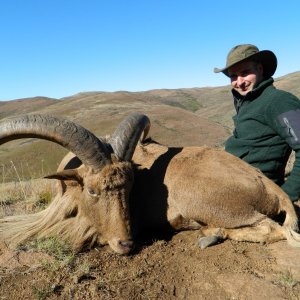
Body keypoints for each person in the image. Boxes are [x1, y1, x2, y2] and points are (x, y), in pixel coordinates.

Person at [214, 44, 300, 202]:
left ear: (260, 69)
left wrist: (285, 198)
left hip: (255, 194)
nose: (239, 82)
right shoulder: (247, 101)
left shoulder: (279, 102)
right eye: (233, 76)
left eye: (245, 73)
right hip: (231, 183)